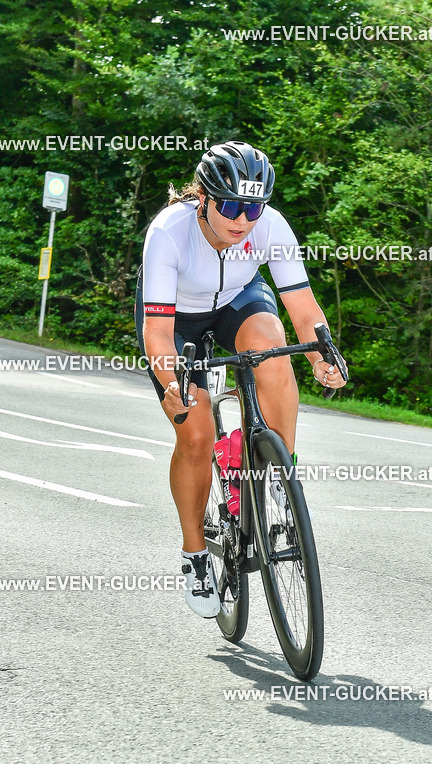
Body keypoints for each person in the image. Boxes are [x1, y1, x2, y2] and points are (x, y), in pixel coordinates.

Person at [135, 140, 347, 618]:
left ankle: (278, 472)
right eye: (231, 205)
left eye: (253, 207)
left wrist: (321, 354)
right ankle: (195, 556)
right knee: (196, 430)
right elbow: (157, 332)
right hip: (178, 318)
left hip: (237, 300)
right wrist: (174, 387)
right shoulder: (169, 232)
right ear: (204, 199)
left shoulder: (270, 227)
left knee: (272, 347)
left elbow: (302, 307)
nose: (242, 218)